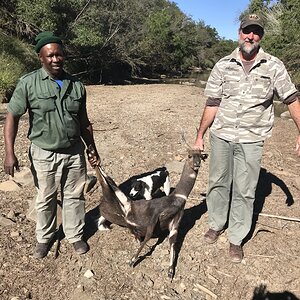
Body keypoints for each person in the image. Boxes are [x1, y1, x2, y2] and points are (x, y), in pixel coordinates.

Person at [193, 14, 300, 263]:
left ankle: (236, 238)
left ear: (261, 36)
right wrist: (200, 136)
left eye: (256, 32)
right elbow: (212, 102)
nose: (250, 36)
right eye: (246, 31)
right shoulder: (222, 64)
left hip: (252, 139)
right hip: (221, 135)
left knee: (245, 189)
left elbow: (292, 100)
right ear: (239, 33)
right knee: (217, 182)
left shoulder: (274, 66)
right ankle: (217, 223)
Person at [3, 31, 100, 259]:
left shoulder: (76, 85)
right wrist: (9, 153)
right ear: (41, 57)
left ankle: (75, 235)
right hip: (43, 153)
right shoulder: (28, 83)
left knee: (75, 196)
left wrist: (91, 148)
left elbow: (84, 122)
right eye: (50, 56)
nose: (55, 59)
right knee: (45, 197)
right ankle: (44, 238)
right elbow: (12, 117)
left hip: (74, 152)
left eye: (59, 55)